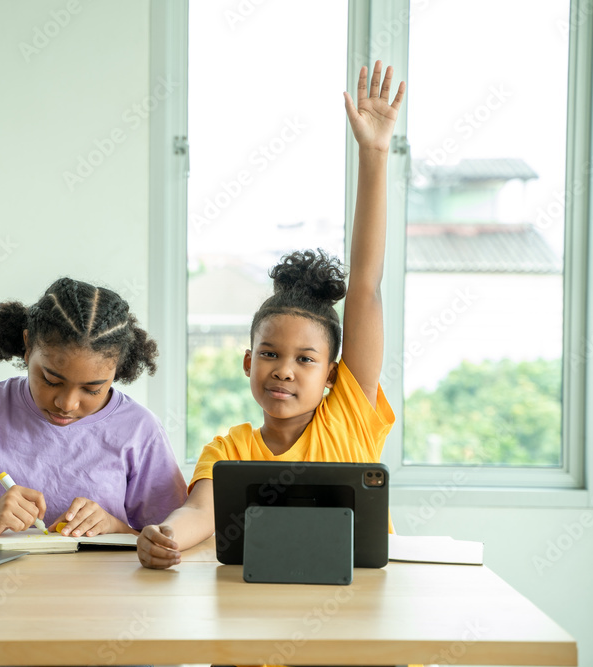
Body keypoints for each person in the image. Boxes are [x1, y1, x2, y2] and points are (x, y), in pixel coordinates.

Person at [138, 61, 405, 569]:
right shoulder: (229, 451)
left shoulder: (348, 413)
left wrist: (374, 153)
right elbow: (199, 513)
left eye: (306, 359)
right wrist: (166, 535)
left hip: (356, 626)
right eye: (270, 353)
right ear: (247, 362)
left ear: (331, 374)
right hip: (259, 628)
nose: (284, 368)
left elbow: (365, 286)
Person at [0, 277, 188, 539]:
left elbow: (169, 540)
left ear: (118, 369)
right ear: (28, 347)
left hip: (103, 592)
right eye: (51, 380)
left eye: (92, 390)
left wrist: (115, 528)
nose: (66, 404)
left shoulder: (140, 430)